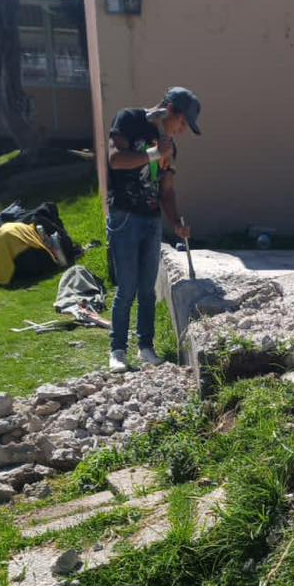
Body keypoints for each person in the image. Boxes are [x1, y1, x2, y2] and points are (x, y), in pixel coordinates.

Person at [106, 86, 201, 372]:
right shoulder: (129, 120)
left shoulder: (170, 146)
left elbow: (166, 190)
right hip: (124, 216)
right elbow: (115, 159)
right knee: (127, 288)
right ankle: (117, 351)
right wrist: (152, 154)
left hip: (150, 220)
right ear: (170, 110)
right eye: (182, 123)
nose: (182, 130)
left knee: (147, 289)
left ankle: (146, 347)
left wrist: (175, 221)